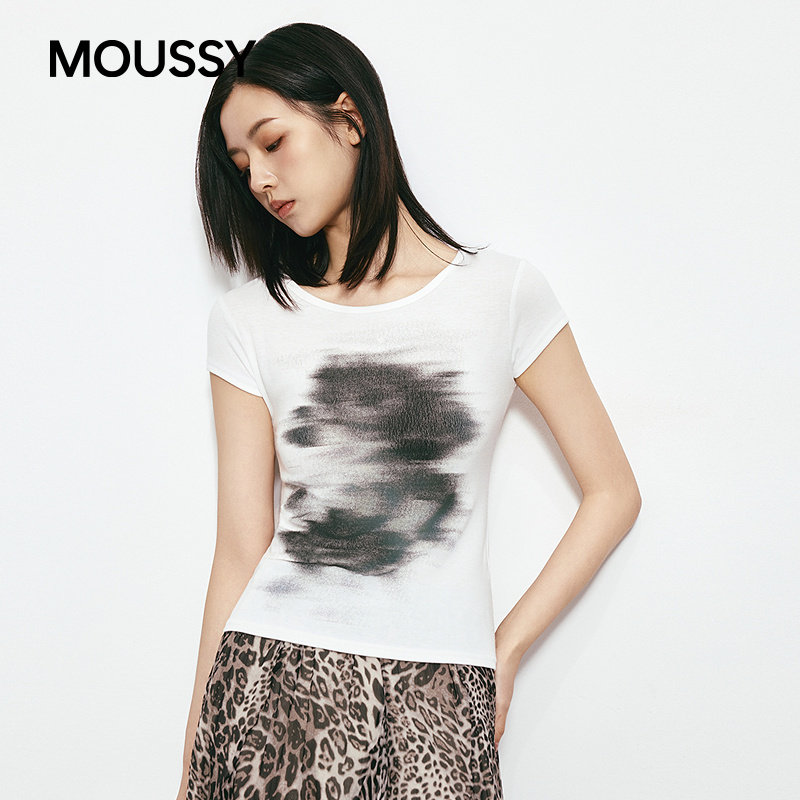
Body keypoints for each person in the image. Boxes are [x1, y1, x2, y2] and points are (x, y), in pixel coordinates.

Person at [177, 21, 641, 800]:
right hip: (278, 681)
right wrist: (193, 767)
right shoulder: (250, 319)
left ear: (350, 119)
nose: (259, 178)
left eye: (273, 141)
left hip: (444, 690)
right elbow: (238, 550)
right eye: (242, 164)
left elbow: (614, 492)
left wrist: (505, 652)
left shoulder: (503, 294)